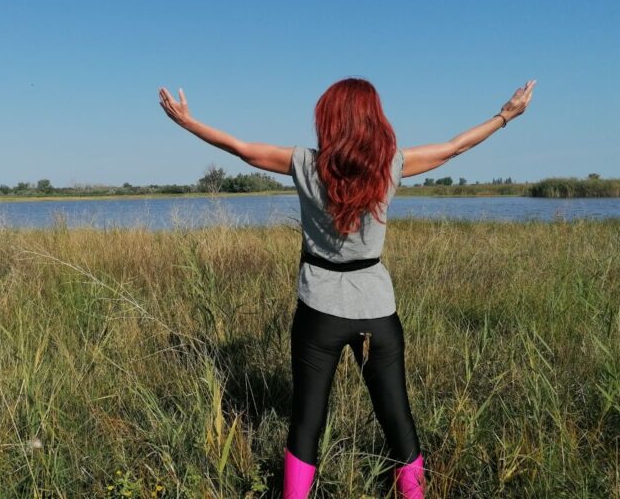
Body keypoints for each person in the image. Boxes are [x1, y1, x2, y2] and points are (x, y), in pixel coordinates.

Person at [158, 77, 536, 498]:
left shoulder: (306, 163)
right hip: (378, 311)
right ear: (375, 120)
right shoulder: (390, 165)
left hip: (318, 312)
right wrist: (505, 116)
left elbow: (241, 149)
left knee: (306, 419)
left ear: (328, 119)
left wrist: (189, 124)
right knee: (397, 417)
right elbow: (453, 148)